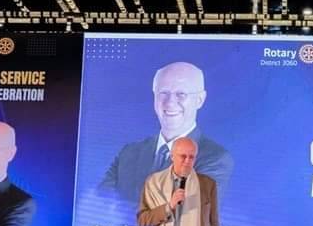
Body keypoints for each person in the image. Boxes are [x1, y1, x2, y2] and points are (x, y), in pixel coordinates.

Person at [99, 61, 233, 203]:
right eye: (163, 93)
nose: (170, 103)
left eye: (181, 94)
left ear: (199, 100)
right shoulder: (129, 153)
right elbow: (98, 204)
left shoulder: (215, 159)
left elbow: (188, 211)